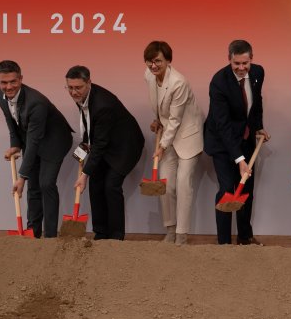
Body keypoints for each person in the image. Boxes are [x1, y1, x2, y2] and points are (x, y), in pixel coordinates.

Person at [0, 60, 73, 238]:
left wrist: (22, 176)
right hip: (32, 137)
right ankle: (33, 233)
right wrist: (15, 144)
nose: (9, 86)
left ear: (21, 79)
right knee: (33, 188)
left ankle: (50, 236)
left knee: (46, 184)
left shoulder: (36, 103)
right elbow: (10, 119)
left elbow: (35, 141)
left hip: (54, 141)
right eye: (4, 82)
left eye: (13, 81)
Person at [203, 40, 270, 245]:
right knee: (227, 189)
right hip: (222, 143)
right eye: (236, 64)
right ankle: (223, 243)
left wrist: (258, 127)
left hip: (246, 138)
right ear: (229, 59)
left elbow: (255, 103)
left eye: (245, 63)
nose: (241, 68)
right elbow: (222, 125)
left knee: (246, 189)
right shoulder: (218, 83)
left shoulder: (258, 73)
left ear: (251, 59)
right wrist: (239, 159)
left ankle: (244, 237)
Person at [67, 65, 145, 240]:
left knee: (111, 186)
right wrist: (80, 154)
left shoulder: (103, 105)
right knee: (96, 185)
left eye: (78, 87)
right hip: (106, 143)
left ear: (89, 83)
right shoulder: (83, 97)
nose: (73, 92)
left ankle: (116, 237)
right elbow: (89, 127)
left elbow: (100, 144)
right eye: (70, 87)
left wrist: (84, 174)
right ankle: (101, 233)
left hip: (125, 146)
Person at [143, 41, 204, 245]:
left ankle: (181, 235)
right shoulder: (148, 76)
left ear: (168, 61)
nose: (153, 66)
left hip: (187, 136)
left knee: (183, 184)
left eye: (158, 61)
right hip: (168, 134)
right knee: (166, 185)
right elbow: (162, 109)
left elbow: (176, 119)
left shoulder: (179, 82)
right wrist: (158, 120)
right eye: (150, 61)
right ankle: (170, 229)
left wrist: (161, 147)